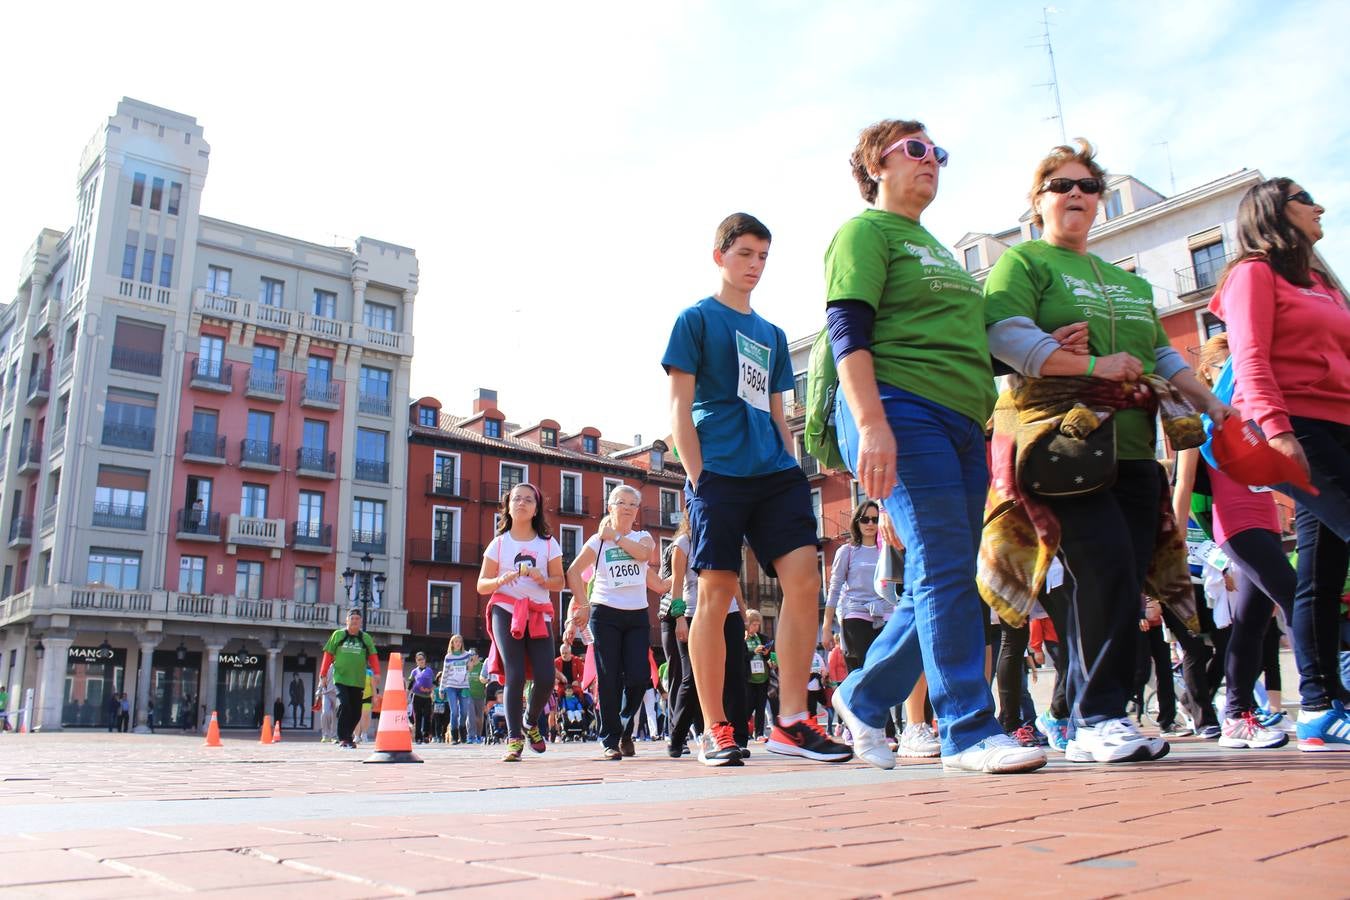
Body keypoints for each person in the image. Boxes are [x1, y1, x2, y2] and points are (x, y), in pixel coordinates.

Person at [981, 138, 1233, 765]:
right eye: (1060, 186)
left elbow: (1162, 354)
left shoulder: (1127, 281)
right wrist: (1088, 361)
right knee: (1107, 569)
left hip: (1135, 449)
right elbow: (1004, 333)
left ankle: (1086, 714)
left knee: (1123, 580)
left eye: (1088, 187)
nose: (1075, 195)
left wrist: (1212, 402)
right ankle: (1097, 717)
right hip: (1062, 446)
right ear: (1037, 202)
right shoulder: (1025, 264)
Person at [821, 119, 1043, 774]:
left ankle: (864, 696)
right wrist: (869, 423)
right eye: (916, 150)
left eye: (938, 153)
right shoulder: (865, 231)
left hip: (961, 419)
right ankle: (968, 730)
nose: (932, 161)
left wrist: (1059, 355)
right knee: (943, 565)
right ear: (875, 165)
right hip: (897, 404)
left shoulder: (942, 252)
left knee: (943, 575)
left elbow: (982, 342)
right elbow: (846, 329)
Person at [662, 212, 853, 767]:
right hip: (717, 472)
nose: (755, 266)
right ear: (719, 255)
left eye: (764, 256)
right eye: (745, 253)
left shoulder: (769, 334)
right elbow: (678, 408)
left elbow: (775, 412)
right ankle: (716, 726)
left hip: (774, 474)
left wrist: (790, 467)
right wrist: (698, 477)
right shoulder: (695, 320)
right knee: (716, 594)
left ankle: (791, 719)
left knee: (803, 579)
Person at [1208, 182, 1350, 750]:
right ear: (1272, 212)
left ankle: (1318, 706)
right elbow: (1250, 357)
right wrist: (1278, 432)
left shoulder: (1323, 284)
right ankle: (1317, 703)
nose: (1319, 207)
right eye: (1304, 197)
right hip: (1301, 428)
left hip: (1344, 426)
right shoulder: (1251, 274)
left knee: (1319, 574)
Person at [1171, 333, 1291, 749]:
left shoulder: (1253, 406)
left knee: (1253, 623)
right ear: (1210, 372)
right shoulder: (1198, 417)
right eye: (1227, 367)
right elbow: (1182, 485)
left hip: (1267, 522)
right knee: (1298, 598)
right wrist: (1172, 541)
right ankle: (1325, 699)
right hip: (1235, 526)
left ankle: (1238, 714)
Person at [566, 484, 657, 761]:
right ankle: (610, 739)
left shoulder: (643, 537)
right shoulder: (598, 542)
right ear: (610, 507)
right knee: (608, 678)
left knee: (639, 677)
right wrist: (583, 605)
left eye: (632, 504)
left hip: (637, 615)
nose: (627, 508)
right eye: (621, 502)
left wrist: (616, 535)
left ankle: (626, 728)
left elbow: (643, 556)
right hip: (605, 614)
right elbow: (573, 572)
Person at [479, 483, 565, 762]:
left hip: (539, 611)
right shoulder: (500, 543)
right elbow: (482, 585)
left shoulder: (548, 543)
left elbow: (559, 581)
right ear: (508, 505)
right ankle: (514, 738)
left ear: (537, 507)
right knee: (514, 673)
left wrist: (543, 578)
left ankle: (530, 721)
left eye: (528, 499)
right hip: (505, 608)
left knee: (545, 677)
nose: (522, 503)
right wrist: (499, 580)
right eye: (516, 498)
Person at [660, 514, 751, 758]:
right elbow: (676, 584)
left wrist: (743, 615)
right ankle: (677, 737)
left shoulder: (725, 538)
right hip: (693, 613)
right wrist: (678, 618)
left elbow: (734, 582)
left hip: (729, 612)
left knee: (734, 673)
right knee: (691, 678)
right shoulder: (683, 543)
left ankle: (739, 737)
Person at [319, 609, 381, 749]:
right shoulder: (338, 635)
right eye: (352, 618)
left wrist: (377, 673)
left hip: (358, 680)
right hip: (341, 678)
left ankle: (348, 737)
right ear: (347, 620)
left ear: (361, 622)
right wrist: (323, 675)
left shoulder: (365, 638)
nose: (354, 621)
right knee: (345, 705)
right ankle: (343, 738)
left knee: (356, 711)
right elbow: (328, 655)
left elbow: (373, 656)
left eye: (357, 619)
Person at [744, 610, 773, 740]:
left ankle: (760, 733)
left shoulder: (762, 637)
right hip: (748, 679)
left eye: (757, 624)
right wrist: (753, 652)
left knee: (761, 707)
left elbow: (769, 657)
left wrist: (767, 654)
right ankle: (741, 732)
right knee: (748, 707)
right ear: (746, 624)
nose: (756, 627)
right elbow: (740, 658)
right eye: (753, 624)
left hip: (763, 677)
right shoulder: (741, 639)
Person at [441, 635, 473, 744]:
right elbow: (444, 673)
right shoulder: (448, 657)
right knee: (454, 711)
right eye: (456, 642)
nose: (458, 643)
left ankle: (463, 733)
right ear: (452, 644)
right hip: (451, 687)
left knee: (464, 712)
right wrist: (441, 689)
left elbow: (470, 669)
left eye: (460, 641)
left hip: (464, 686)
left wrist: (471, 663)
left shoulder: (467, 655)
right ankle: (454, 737)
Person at [407, 652, 436, 744]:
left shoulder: (430, 671)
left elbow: (434, 683)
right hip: (417, 697)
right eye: (419, 659)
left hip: (427, 697)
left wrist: (432, 691)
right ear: (416, 661)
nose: (421, 661)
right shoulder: (414, 671)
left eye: (422, 659)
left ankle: (426, 736)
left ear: (425, 660)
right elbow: (410, 685)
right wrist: (406, 697)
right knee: (418, 717)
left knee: (427, 716)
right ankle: (418, 737)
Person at [466, 650, 485, 743]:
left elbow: (487, 678)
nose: (470, 656)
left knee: (479, 717)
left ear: (477, 656)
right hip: (468, 695)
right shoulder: (467, 666)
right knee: (471, 716)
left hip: (481, 695)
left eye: (472, 654)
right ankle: (471, 736)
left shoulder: (482, 666)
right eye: (469, 655)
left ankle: (478, 735)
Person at [316, 671, 338, 742]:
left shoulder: (340, 663)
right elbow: (321, 676)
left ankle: (334, 736)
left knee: (335, 715)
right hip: (326, 693)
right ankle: (326, 735)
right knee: (325, 712)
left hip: (337, 693)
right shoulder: (327, 664)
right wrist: (319, 690)